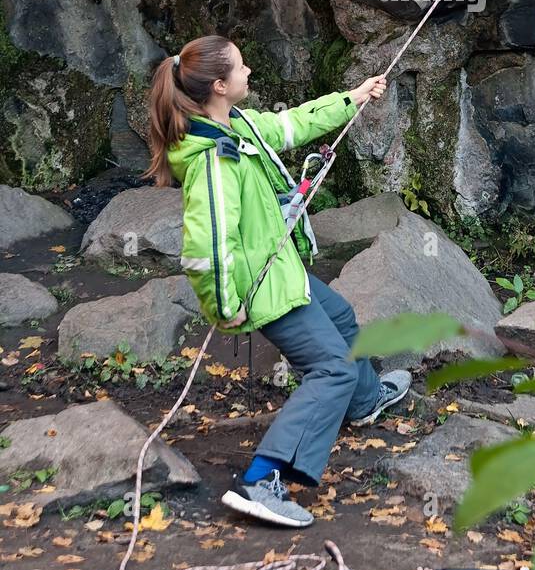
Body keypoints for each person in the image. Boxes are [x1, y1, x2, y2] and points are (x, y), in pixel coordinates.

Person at [146, 34, 410, 528]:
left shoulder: (238, 125)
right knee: (331, 368)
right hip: (263, 289)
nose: (250, 74)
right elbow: (206, 249)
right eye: (242, 69)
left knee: (341, 316)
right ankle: (262, 481)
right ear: (221, 85)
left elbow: (292, 124)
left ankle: (366, 401)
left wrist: (353, 97)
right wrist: (225, 306)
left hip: (281, 268)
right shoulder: (213, 160)